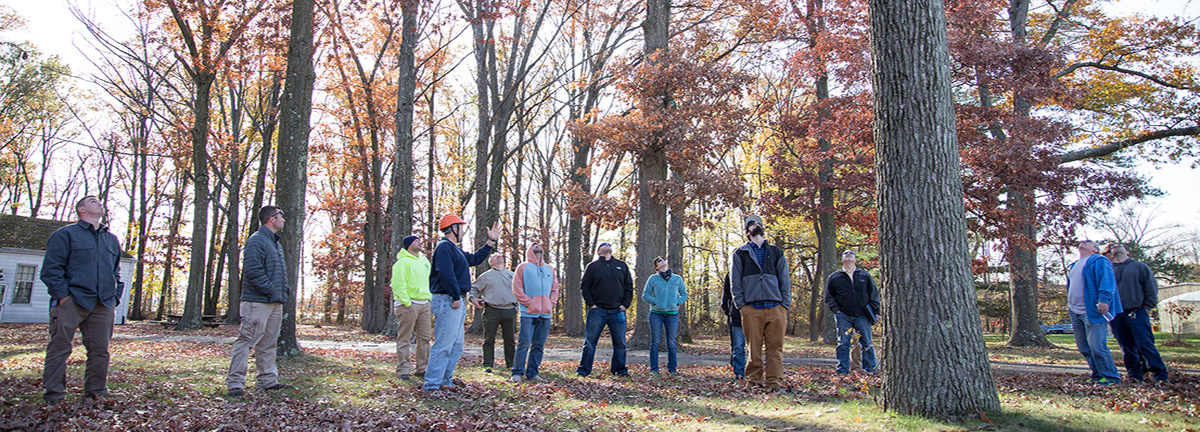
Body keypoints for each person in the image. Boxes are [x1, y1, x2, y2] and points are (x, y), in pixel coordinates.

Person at [40, 196, 124, 405]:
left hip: (103, 303)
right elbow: (51, 269)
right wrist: (62, 296)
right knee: (59, 348)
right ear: (81, 209)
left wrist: (115, 297)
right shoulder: (65, 235)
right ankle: (54, 397)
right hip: (72, 301)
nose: (100, 203)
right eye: (93, 201)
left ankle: (96, 393)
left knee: (100, 351)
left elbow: (116, 272)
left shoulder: (111, 239)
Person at [423, 214, 500, 391]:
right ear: (453, 228)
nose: (464, 230)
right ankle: (432, 385)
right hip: (448, 300)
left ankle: (444, 381)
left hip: (455, 300)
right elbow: (445, 273)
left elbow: (474, 259)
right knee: (443, 344)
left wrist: (490, 242)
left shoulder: (454, 249)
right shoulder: (444, 247)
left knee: (456, 345)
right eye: (461, 227)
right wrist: (456, 296)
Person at [226, 206, 292, 396]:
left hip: (275, 302)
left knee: (268, 343)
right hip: (257, 302)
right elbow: (253, 271)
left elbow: (280, 272)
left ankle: (267, 381)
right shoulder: (256, 241)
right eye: (281, 217)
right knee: (246, 341)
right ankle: (235, 383)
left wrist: (283, 291)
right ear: (272, 219)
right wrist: (271, 290)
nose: (283, 220)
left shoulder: (275, 243)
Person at [730, 215, 791, 392]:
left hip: (775, 307)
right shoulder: (740, 253)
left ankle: (774, 383)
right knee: (753, 349)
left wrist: (784, 305)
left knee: (775, 348)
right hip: (751, 308)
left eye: (758, 223)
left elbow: (784, 279)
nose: (755, 225)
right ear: (747, 232)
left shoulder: (776, 252)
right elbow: (735, 282)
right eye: (751, 224)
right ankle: (754, 382)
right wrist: (742, 306)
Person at [1103, 243, 1169, 383]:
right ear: (1110, 253)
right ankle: (1135, 375)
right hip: (1116, 314)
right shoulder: (1108, 269)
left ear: (1126, 252)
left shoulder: (1140, 267)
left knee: (1145, 344)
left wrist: (1146, 307)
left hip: (1137, 311)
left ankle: (1160, 375)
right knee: (1127, 347)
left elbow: (1151, 288)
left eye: (1120, 245)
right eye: (1113, 246)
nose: (1117, 246)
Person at [1067, 240, 1122, 385]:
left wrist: (1104, 299)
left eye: (1089, 242)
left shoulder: (1099, 260)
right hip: (1075, 311)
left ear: (1095, 249)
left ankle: (1112, 378)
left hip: (1092, 310)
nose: (1084, 241)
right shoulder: (1074, 265)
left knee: (1097, 346)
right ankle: (1098, 376)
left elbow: (1107, 281)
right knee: (1084, 347)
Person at [576, 242, 634, 377]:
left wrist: (625, 304)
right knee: (590, 342)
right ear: (598, 251)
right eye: (603, 244)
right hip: (598, 310)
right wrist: (592, 304)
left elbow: (629, 286)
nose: (607, 245)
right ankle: (584, 370)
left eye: (609, 244)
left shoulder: (622, 265)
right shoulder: (592, 267)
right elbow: (585, 286)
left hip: (618, 310)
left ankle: (619, 370)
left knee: (620, 343)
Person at [824, 250, 880, 375]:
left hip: (863, 315)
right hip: (844, 315)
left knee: (866, 342)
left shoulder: (864, 276)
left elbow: (873, 294)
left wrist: (876, 311)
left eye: (852, 254)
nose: (849, 254)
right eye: (846, 254)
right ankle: (842, 370)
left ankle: (870, 370)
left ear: (855, 259)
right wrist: (837, 311)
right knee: (843, 343)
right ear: (842, 259)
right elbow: (829, 297)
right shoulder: (835, 277)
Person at [510, 243, 560, 382]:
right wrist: (529, 302)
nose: (537, 251)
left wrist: (551, 303)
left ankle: (532, 372)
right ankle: (517, 373)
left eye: (539, 249)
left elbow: (555, 289)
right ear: (529, 252)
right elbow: (517, 289)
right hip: (528, 313)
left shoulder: (549, 268)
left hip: (545, 314)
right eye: (534, 249)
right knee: (524, 343)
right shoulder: (523, 267)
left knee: (539, 345)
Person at [392, 235, 433, 381]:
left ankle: (422, 368)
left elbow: (430, 279)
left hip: (424, 303)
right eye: (416, 241)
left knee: (424, 338)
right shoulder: (402, 262)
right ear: (409, 245)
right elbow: (398, 284)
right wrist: (406, 302)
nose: (420, 242)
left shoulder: (424, 261)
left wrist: (429, 299)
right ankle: (403, 369)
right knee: (405, 338)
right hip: (408, 305)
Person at [469, 254, 518, 373]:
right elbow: (473, 288)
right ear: (491, 263)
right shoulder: (486, 276)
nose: (499, 256)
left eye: (500, 255)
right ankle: (488, 364)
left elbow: (520, 291)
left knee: (510, 339)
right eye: (495, 256)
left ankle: (511, 364)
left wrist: (517, 306)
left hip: (509, 310)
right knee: (489, 339)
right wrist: (473, 299)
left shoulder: (512, 275)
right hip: (492, 310)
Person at [642, 256, 687, 375]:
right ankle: (654, 369)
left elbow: (684, 294)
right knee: (655, 342)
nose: (662, 261)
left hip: (672, 314)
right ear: (656, 266)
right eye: (658, 261)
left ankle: (672, 369)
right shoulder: (653, 278)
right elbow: (645, 295)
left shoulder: (676, 279)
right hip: (656, 314)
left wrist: (677, 302)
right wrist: (655, 301)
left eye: (663, 259)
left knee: (671, 343)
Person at [720, 273, 746, 379]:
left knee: (754, 346)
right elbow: (726, 296)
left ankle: (751, 371)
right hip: (736, 316)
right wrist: (729, 312)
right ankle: (739, 373)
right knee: (738, 346)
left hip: (754, 314)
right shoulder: (731, 274)